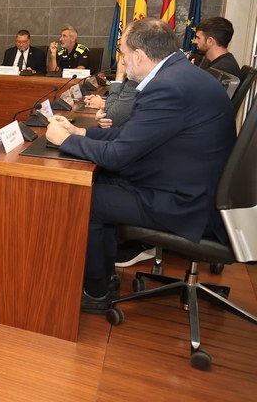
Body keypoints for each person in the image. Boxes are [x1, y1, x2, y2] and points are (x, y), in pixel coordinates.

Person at [45, 18, 235, 313]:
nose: (121, 61)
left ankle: (95, 292)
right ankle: (105, 277)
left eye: (122, 53)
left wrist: (64, 141)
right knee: (102, 181)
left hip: (186, 202)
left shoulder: (168, 87)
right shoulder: (178, 74)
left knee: (86, 199)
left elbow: (118, 155)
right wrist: (82, 132)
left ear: (139, 56)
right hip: (186, 180)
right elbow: (133, 135)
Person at [83, 56, 138, 129]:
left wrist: (119, 75)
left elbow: (111, 119)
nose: (121, 61)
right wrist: (104, 103)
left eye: (123, 54)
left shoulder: (136, 80)